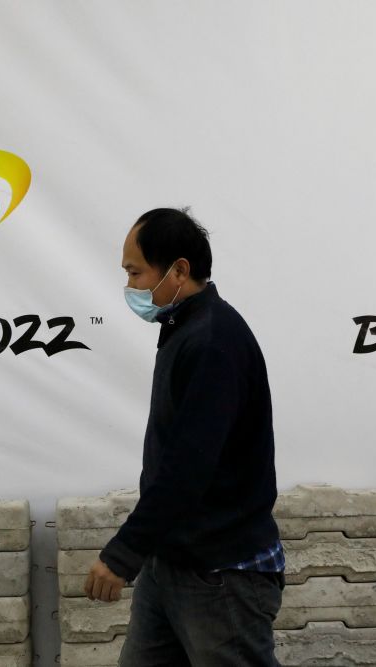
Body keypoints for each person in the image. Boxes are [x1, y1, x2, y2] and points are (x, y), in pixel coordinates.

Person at [84, 207, 285, 666]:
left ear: (179, 270)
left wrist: (123, 553)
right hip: (170, 561)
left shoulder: (213, 341)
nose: (130, 287)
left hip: (221, 574)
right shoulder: (184, 328)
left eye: (136, 273)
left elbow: (188, 467)